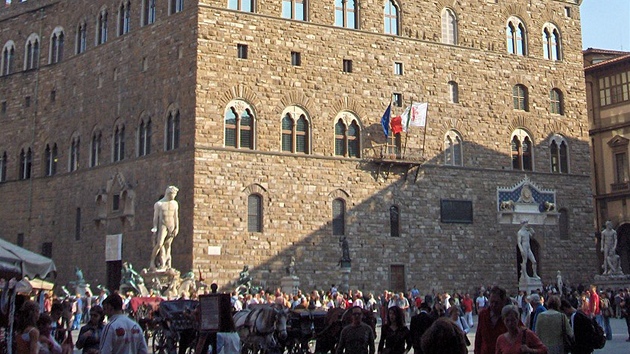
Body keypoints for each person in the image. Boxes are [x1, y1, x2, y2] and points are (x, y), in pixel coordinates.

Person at [150, 185, 180, 270]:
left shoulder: (175, 203)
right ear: (168, 193)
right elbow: (155, 217)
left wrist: (177, 227)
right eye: (173, 194)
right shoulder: (159, 204)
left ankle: (167, 264)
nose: (173, 197)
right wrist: (155, 227)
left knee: (168, 245)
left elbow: (176, 217)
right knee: (159, 244)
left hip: (171, 225)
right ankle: (152, 262)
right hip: (163, 225)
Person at [474, 286, 510, 354]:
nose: (493, 305)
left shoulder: (509, 316)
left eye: (496, 303)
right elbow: (478, 338)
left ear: (503, 301)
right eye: (491, 302)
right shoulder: (483, 315)